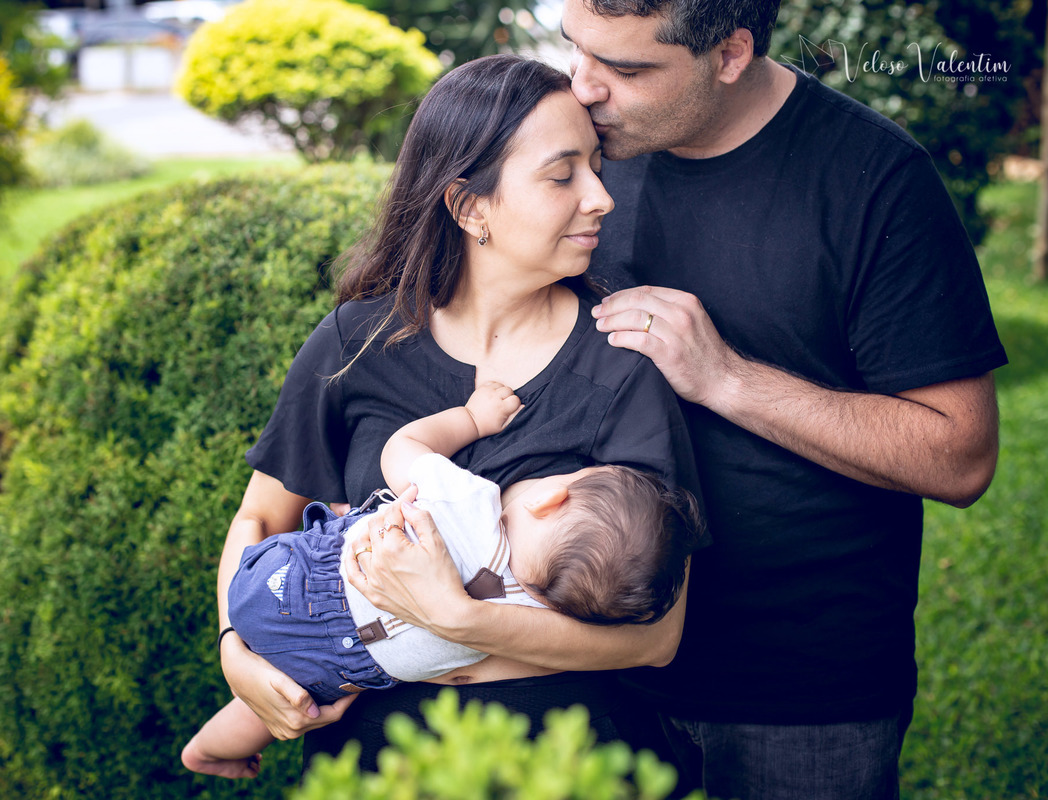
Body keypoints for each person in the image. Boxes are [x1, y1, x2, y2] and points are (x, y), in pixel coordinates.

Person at [349, 1, 1006, 798]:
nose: (584, 87)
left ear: (729, 54)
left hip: (792, 690)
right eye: (576, 49)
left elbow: (960, 455)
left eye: (626, 68)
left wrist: (729, 378)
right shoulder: (574, 154)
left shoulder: (874, 181)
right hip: (572, 664)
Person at [213, 53, 704, 772]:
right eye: (563, 175)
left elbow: (657, 637)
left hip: (566, 766)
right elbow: (260, 519)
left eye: (597, 167)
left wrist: (459, 619)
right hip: (379, 768)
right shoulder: (358, 342)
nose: (601, 197)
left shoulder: (621, 361)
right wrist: (235, 651)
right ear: (470, 207)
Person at [183, 381, 700, 778]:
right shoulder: (531, 617)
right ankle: (209, 750)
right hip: (344, 667)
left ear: (551, 497)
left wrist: (472, 418)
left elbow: (400, 448)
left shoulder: (472, 504)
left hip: (293, 584)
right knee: (294, 693)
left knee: (352, 525)